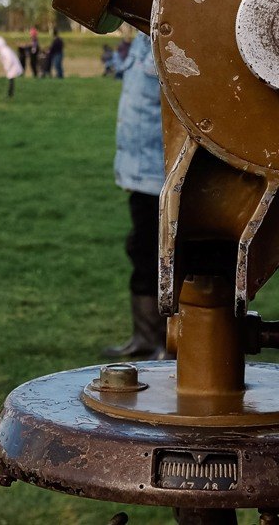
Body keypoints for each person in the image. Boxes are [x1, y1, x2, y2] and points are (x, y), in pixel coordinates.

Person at [100, 32, 169, 361]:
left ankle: (171, 344)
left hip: (163, 175)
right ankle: (144, 338)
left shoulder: (170, 31)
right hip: (140, 173)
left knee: (166, 258)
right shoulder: (144, 37)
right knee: (141, 252)